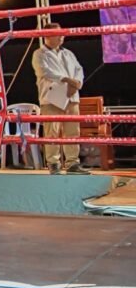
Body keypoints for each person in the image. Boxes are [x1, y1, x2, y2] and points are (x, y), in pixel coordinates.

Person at [32, 22, 90, 175]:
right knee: (52, 131)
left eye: (62, 33)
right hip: (52, 96)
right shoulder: (39, 53)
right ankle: (53, 163)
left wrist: (77, 83)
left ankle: (73, 163)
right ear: (47, 36)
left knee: (73, 131)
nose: (61, 36)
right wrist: (67, 80)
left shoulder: (68, 53)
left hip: (71, 96)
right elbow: (45, 72)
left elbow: (79, 69)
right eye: (57, 33)